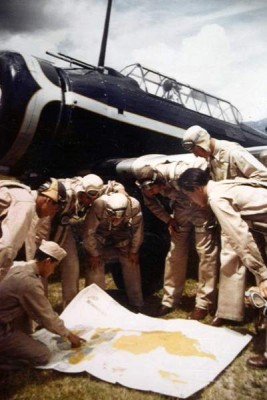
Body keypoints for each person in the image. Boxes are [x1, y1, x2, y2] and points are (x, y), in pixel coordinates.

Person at [182, 125, 267, 325]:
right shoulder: (210, 157)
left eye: (198, 151)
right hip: (233, 213)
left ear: (202, 143)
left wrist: (237, 191)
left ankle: (260, 310)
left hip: (250, 214)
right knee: (230, 258)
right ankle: (229, 312)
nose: (199, 156)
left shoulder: (233, 151)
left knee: (255, 257)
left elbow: (263, 176)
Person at [134, 161, 219, 319]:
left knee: (205, 255)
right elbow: (150, 202)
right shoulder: (146, 185)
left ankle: (204, 303)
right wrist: (167, 219)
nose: (152, 193)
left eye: (153, 189)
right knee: (174, 254)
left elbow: (206, 184)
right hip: (181, 210)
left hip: (202, 206)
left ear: (157, 181)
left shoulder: (182, 172)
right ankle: (169, 300)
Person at [0, 240, 84, 370]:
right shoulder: (29, 282)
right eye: (54, 267)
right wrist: (69, 335)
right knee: (42, 355)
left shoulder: (16, 265)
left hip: (5, 319)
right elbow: (46, 316)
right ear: (47, 261)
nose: (53, 272)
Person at [83, 192, 144, 311]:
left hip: (121, 236)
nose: (114, 219)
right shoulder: (98, 205)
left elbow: (138, 230)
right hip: (99, 237)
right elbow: (89, 232)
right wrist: (93, 253)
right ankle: (96, 304)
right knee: (94, 264)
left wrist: (134, 251)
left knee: (131, 261)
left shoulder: (134, 205)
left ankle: (136, 301)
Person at [0, 178, 67, 282]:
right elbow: (8, 246)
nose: (51, 214)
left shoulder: (21, 194)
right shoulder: (26, 204)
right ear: (48, 201)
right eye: (55, 209)